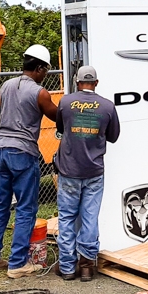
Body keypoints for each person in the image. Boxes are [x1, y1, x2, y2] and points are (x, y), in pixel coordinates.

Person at [0, 44, 58, 279]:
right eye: (46, 70)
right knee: (26, 208)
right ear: (39, 67)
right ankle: (17, 264)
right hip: (23, 153)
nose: (46, 74)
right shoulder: (40, 93)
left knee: (1, 205)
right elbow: (57, 116)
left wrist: (0, 137)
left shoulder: (5, 86)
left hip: (0, 151)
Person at [53, 65, 120, 282]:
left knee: (67, 217)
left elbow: (61, 128)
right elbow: (113, 136)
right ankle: (86, 266)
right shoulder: (108, 106)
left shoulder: (65, 102)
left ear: (77, 81)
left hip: (69, 169)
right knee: (90, 218)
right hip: (94, 171)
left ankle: (67, 267)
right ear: (96, 83)